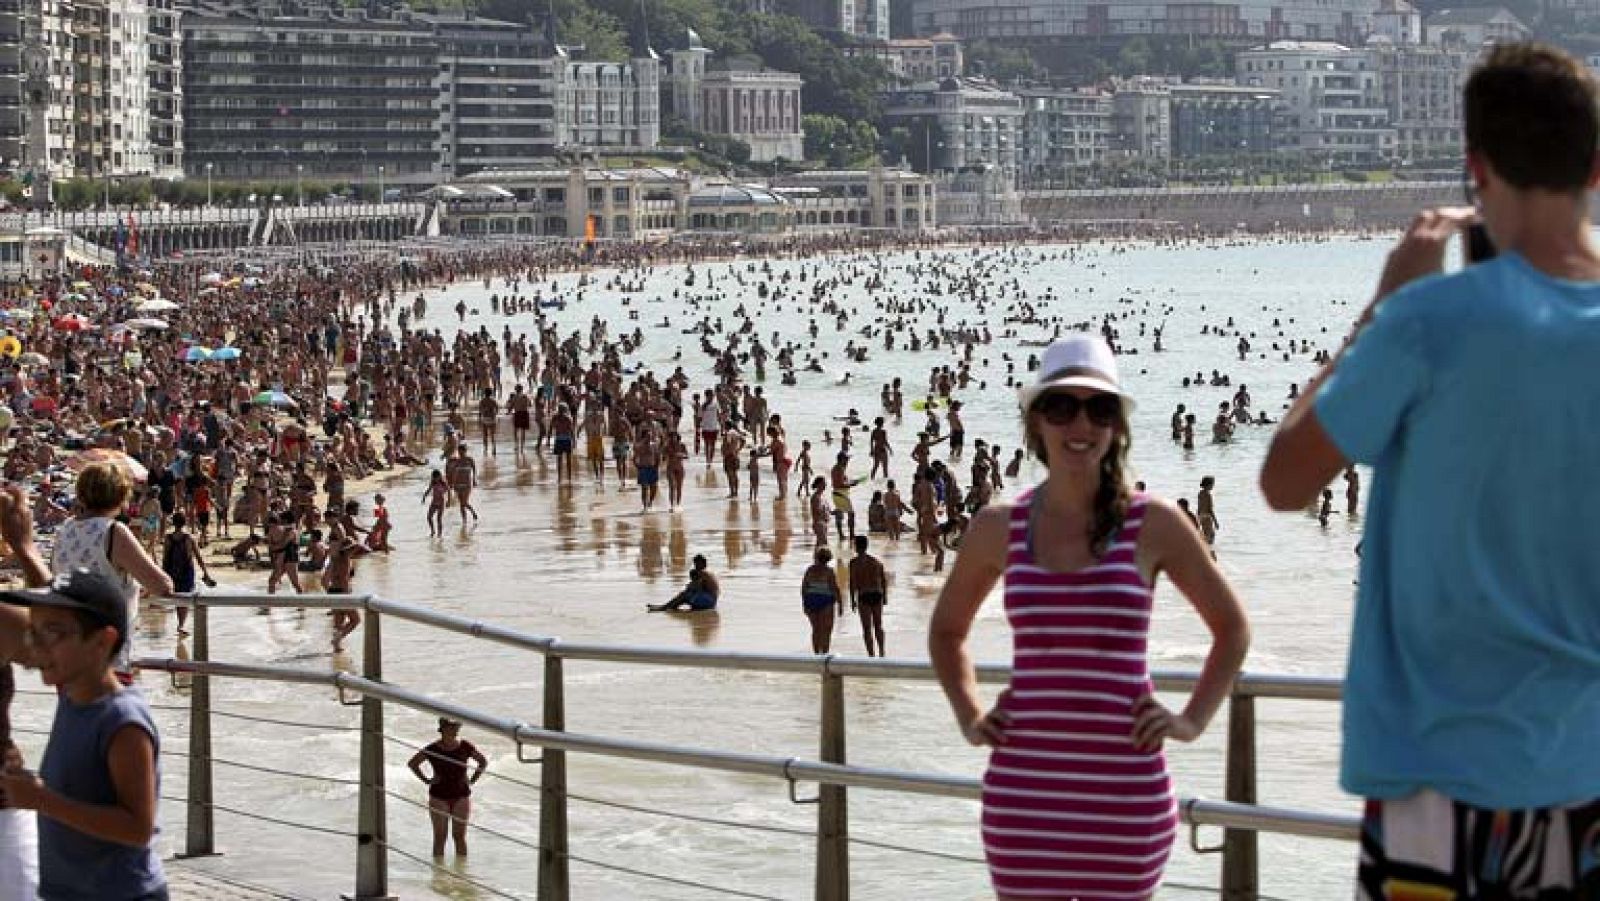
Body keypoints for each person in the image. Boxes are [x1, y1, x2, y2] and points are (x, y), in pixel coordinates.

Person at [1260, 43, 1600, 898]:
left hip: (1434, 773)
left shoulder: (1426, 321)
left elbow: (1285, 480)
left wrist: (1382, 304)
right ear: (1595, 165)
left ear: (1475, 167)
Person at [930, 334, 1249, 901]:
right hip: (1024, 798)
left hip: (1126, 801)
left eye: (1099, 408)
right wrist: (969, 713)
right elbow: (948, 631)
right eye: (1062, 406)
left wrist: (1191, 721)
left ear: (1117, 426)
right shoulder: (998, 527)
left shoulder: (1157, 523)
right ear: (1036, 422)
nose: (1081, 424)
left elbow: (1231, 628)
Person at [0, 569, 167, 900]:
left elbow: (138, 827)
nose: (36, 648)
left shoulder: (123, 722)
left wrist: (42, 800)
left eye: (53, 633)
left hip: (122, 893)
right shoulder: (73, 700)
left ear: (102, 641)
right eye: (33, 633)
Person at [50, 464, 173, 681]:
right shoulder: (113, 531)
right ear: (120, 496)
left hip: (68, 654)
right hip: (106, 656)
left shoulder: (65, 530)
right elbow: (162, 585)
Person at [407, 718, 487, 858]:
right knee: (440, 838)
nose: (456, 729)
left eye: (457, 726)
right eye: (452, 727)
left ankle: (461, 876)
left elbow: (482, 761)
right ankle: (438, 875)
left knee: (459, 837)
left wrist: (472, 780)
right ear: (443, 728)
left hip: (461, 796)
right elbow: (412, 763)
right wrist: (427, 780)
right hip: (439, 797)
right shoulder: (432, 749)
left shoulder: (465, 746)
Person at [159, 513, 212, 636]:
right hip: (186, 571)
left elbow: (165, 558)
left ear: (173, 523)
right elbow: (199, 558)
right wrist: (206, 573)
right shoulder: (189, 538)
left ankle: (180, 624)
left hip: (172, 570)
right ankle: (181, 625)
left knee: (178, 597)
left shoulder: (168, 538)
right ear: (185, 522)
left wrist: (163, 573)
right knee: (186, 597)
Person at [847, 535, 887, 657]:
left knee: (867, 628)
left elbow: (852, 582)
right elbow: (883, 580)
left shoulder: (854, 563)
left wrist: (852, 599)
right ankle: (882, 651)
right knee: (878, 625)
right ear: (866, 546)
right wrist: (885, 596)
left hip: (864, 595)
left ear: (856, 547)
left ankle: (871, 655)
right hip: (877, 593)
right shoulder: (876, 562)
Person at [800, 546, 843, 654]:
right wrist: (840, 603)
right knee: (827, 630)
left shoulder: (810, 569)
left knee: (816, 630)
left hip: (811, 599)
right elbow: (834, 588)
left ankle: (816, 653)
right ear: (828, 558)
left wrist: (804, 603)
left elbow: (804, 587)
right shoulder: (829, 571)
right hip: (825, 600)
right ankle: (824, 653)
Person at [648, 555, 719, 612]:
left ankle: (664, 608)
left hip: (708, 601)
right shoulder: (708, 573)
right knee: (686, 594)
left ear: (704, 564)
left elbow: (695, 587)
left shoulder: (703, 573)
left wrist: (689, 587)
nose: (696, 566)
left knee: (684, 595)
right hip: (711, 602)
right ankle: (666, 607)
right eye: (695, 564)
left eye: (698, 564)